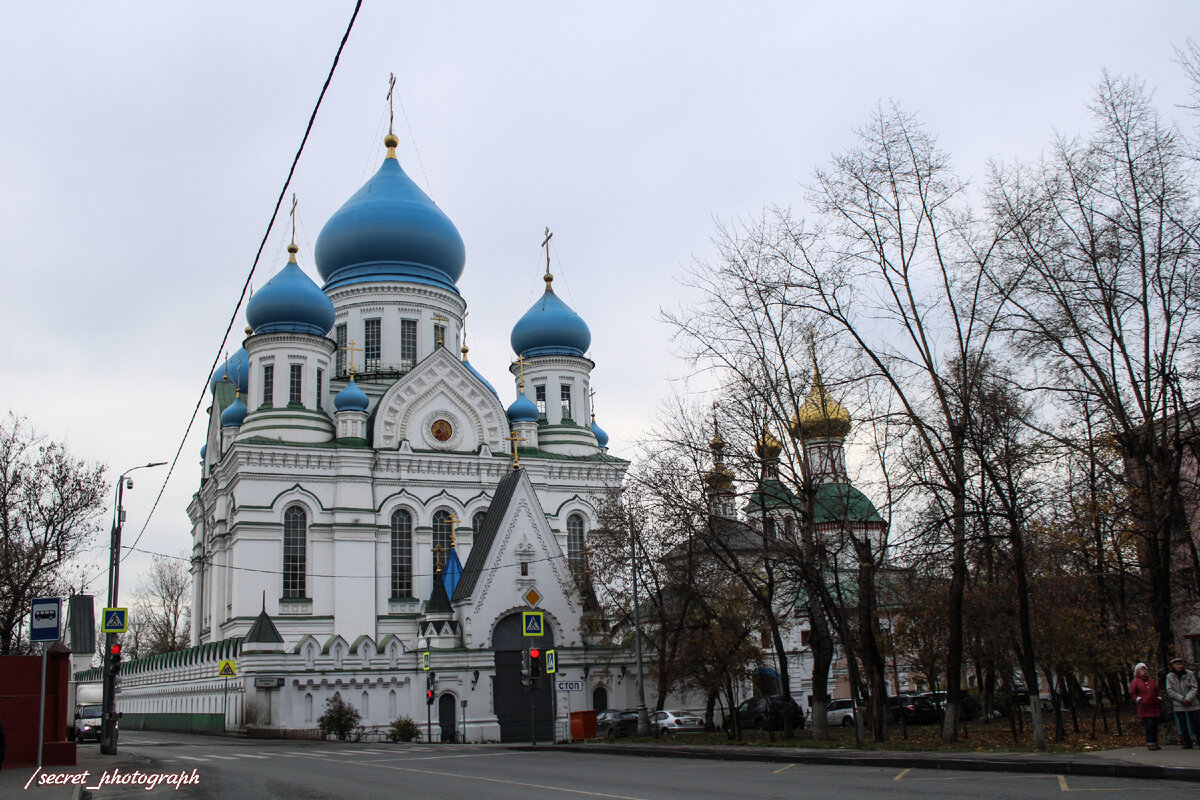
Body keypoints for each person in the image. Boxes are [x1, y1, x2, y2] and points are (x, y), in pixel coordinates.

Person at [1165, 657, 1200, 749]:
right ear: (1173, 666)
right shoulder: (1170, 676)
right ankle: (1187, 742)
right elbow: (1170, 690)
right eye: (1177, 664)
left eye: (1180, 664)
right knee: (1182, 724)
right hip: (1179, 704)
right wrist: (1181, 699)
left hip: (1192, 703)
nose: (1179, 666)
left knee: (1196, 722)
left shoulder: (1189, 674)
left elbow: (1194, 687)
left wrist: (1188, 698)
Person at [1131, 662, 1164, 750]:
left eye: (1145, 669)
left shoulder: (1151, 681)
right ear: (1138, 671)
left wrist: (1159, 697)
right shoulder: (1136, 681)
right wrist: (1138, 699)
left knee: (1155, 725)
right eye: (1142, 669)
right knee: (1149, 724)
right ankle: (1150, 742)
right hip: (1144, 707)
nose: (1144, 671)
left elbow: (1157, 690)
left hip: (1154, 706)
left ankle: (1155, 742)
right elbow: (1133, 693)